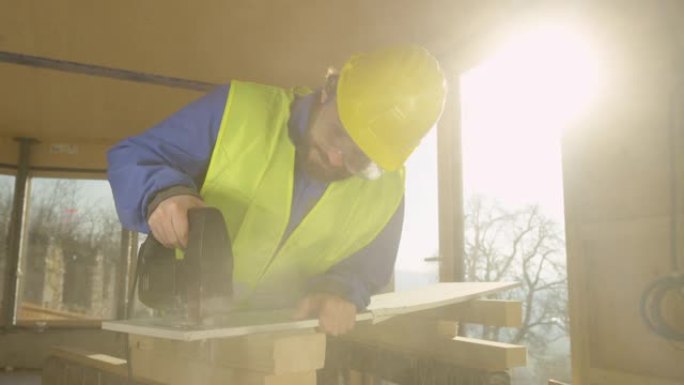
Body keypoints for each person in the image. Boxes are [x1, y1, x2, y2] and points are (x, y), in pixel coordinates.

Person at [107, 44, 447, 335]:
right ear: (329, 89)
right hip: (182, 323)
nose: (335, 156)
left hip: (281, 338)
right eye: (338, 132)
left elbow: (364, 269)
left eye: (360, 157)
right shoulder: (239, 110)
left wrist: (339, 292)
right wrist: (162, 194)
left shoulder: (386, 192)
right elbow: (134, 156)